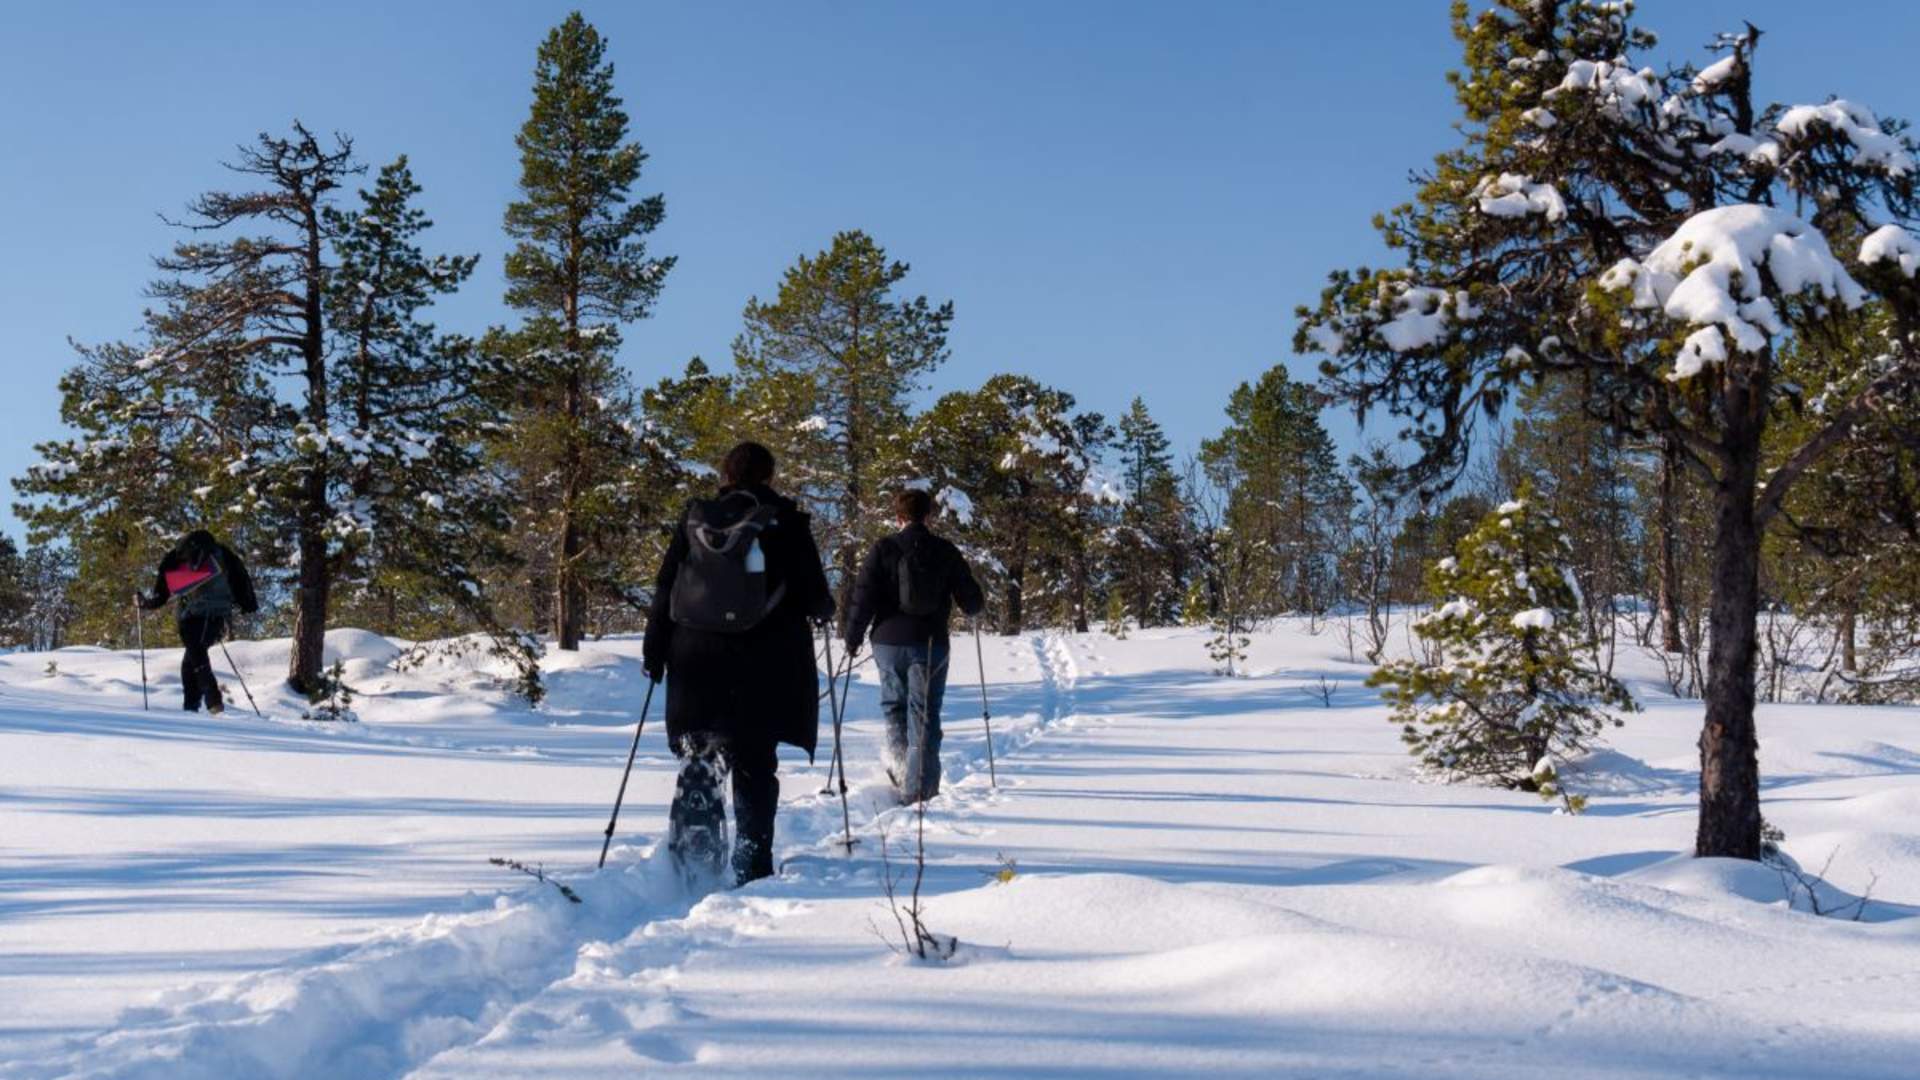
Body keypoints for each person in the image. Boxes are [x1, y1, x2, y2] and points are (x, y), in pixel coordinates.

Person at [642, 442, 834, 887]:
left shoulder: (696, 518)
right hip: (764, 659)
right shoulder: (784, 519)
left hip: (694, 654)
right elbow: (813, 593)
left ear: (724, 473)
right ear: (769, 476)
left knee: (705, 746)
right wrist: (824, 610)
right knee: (754, 763)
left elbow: (665, 585)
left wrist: (654, 652)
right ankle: (752, 863)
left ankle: (695, 859)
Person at [843, 488, 985, 803]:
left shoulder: (883, 549)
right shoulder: (944, 550)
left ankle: (899, 768)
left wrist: (852, 637)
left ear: (898, 517)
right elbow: (972, 603)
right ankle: (919, 787)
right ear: (928, 515)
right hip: (930, 643)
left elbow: (863, 596)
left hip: (887, 643)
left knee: (894, 706)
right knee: (923, 715)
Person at [139, 530, 259, 715]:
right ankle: (191, 709)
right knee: (191, 660)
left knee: (195, 655)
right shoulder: (223, 554)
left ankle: (211, 701)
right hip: (216, 615)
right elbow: (240, 579)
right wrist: (247, 603)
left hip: (190, 616)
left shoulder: (176, 558)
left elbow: (161, 594)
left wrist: (145, 603)